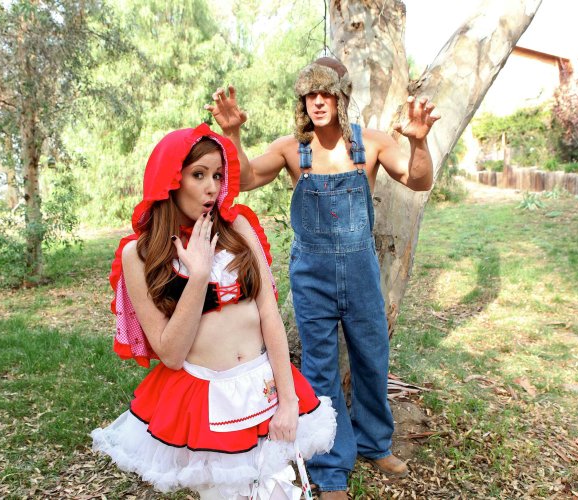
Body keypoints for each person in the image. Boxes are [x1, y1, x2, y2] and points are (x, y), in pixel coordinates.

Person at [206, 57, 440, 499]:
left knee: (372, 356)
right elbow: (245, 179)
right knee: (319, 366)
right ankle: (330, 466)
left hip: (361, 270)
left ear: (341, 96)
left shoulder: (371, 144)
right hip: (311, 274)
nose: (317, 101)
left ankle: (375, 443)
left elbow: (418, 180)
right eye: (310, 94)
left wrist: (420, 142)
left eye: (326, 92)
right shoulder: (291, 150)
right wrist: (233, 134)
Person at [91, 124, 337, 500]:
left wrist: (288, 402)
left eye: (217, 175)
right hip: (203, 400)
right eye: (198, 175)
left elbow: (269, 314)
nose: (211, 187)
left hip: (265, 387)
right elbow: (171, 354)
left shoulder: (238, 226)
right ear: (170, 180)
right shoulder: (138, 255)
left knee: (281, 491)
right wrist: (198, 275)